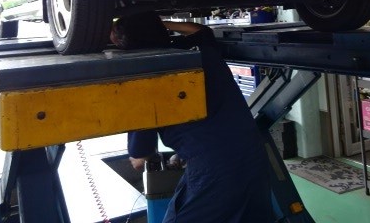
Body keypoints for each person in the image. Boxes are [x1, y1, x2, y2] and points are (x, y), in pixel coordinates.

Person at [110, 12, 274, 223]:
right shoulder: (201, 52)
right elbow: (201, 30)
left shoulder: (142, 79)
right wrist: (160, 23)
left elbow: (140, 154)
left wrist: (138, 156)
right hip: (253, 156)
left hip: (215, 169)